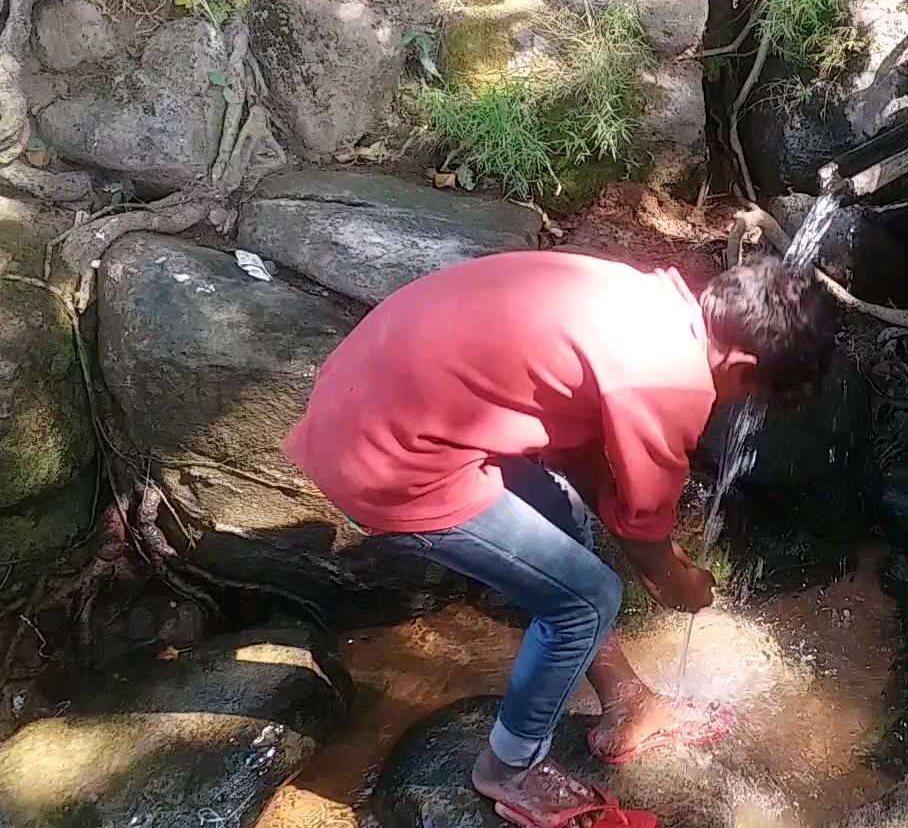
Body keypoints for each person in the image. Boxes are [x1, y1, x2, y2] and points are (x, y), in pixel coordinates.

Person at [284, 250, 836, 828]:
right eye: (749, 394)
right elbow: (645, 531)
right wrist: (681, 581)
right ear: (743, 367)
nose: (738, 405)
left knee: (563, 515)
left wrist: (636, 530)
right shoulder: (667, 377)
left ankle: (625, 699)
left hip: (363, 398)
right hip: (390, 461)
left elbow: (585, 451)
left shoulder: (649, 301)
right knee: (587, 598)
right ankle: (509, 766)